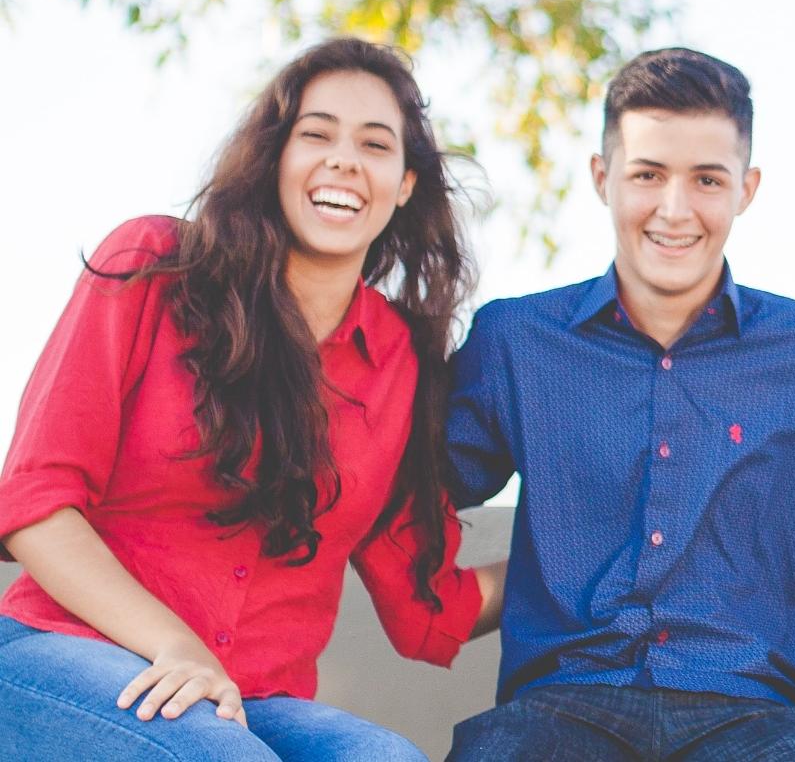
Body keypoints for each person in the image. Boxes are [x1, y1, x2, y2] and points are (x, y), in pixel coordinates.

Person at [0, 38, 500, 760]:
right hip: (60, 656)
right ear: (276, 160)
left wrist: (583, 567)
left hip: (253, 704)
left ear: (405, 184)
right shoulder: (152, 267)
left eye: (375, 144)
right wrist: (175, 644)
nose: (344, 160)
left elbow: (427, 609)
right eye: (316, 134)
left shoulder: (400, 364)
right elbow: (35, 505)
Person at [443, 47, 795, 761]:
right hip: (559, 706)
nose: (675, 208)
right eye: (648, 175)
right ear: (603, 178)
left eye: (707, 179)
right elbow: (405, 491)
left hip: (759, 716)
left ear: (746, 188)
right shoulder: (516, 341)